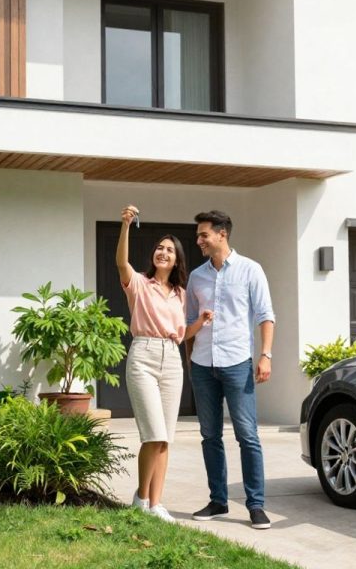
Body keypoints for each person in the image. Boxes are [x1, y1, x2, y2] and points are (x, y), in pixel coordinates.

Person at [116, 205, 212, 523]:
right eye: (160, 248)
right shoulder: (140, 285)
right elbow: (120, 262)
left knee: (166, 436)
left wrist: (200, 321)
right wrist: (126, 225)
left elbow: (183, 334)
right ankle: (141, 498)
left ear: (176, 259)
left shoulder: (181, 294)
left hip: (171, 359)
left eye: (169, 250)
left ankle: (155, 503)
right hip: (143, 356)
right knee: (153, 433)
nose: (163, 252)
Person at [186, 210, 275, 530]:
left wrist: (265, 355)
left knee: (247, 436)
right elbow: (187, 327)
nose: (198, 240)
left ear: (221, 234)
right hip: (202, 365)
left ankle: (256, 504)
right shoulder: (196, 276)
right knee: (210, 436)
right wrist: (198, 326)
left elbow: (266, 315)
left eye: (203, 235)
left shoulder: (251, 270)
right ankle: (218, 501)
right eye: (198, 235)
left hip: (238, 363)